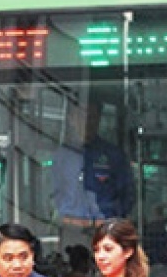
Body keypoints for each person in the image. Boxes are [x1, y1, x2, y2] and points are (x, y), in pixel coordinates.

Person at [51, 100, 133, 247]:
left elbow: (126, 195)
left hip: (105, 231)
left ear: (99, 118)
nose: (87, 122)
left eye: (92, 117)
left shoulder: (112, 155)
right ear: (72, 118)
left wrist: (111, 219)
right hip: (71, 230)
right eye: (81, 117)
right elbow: (54, 193)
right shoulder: (62, 155)